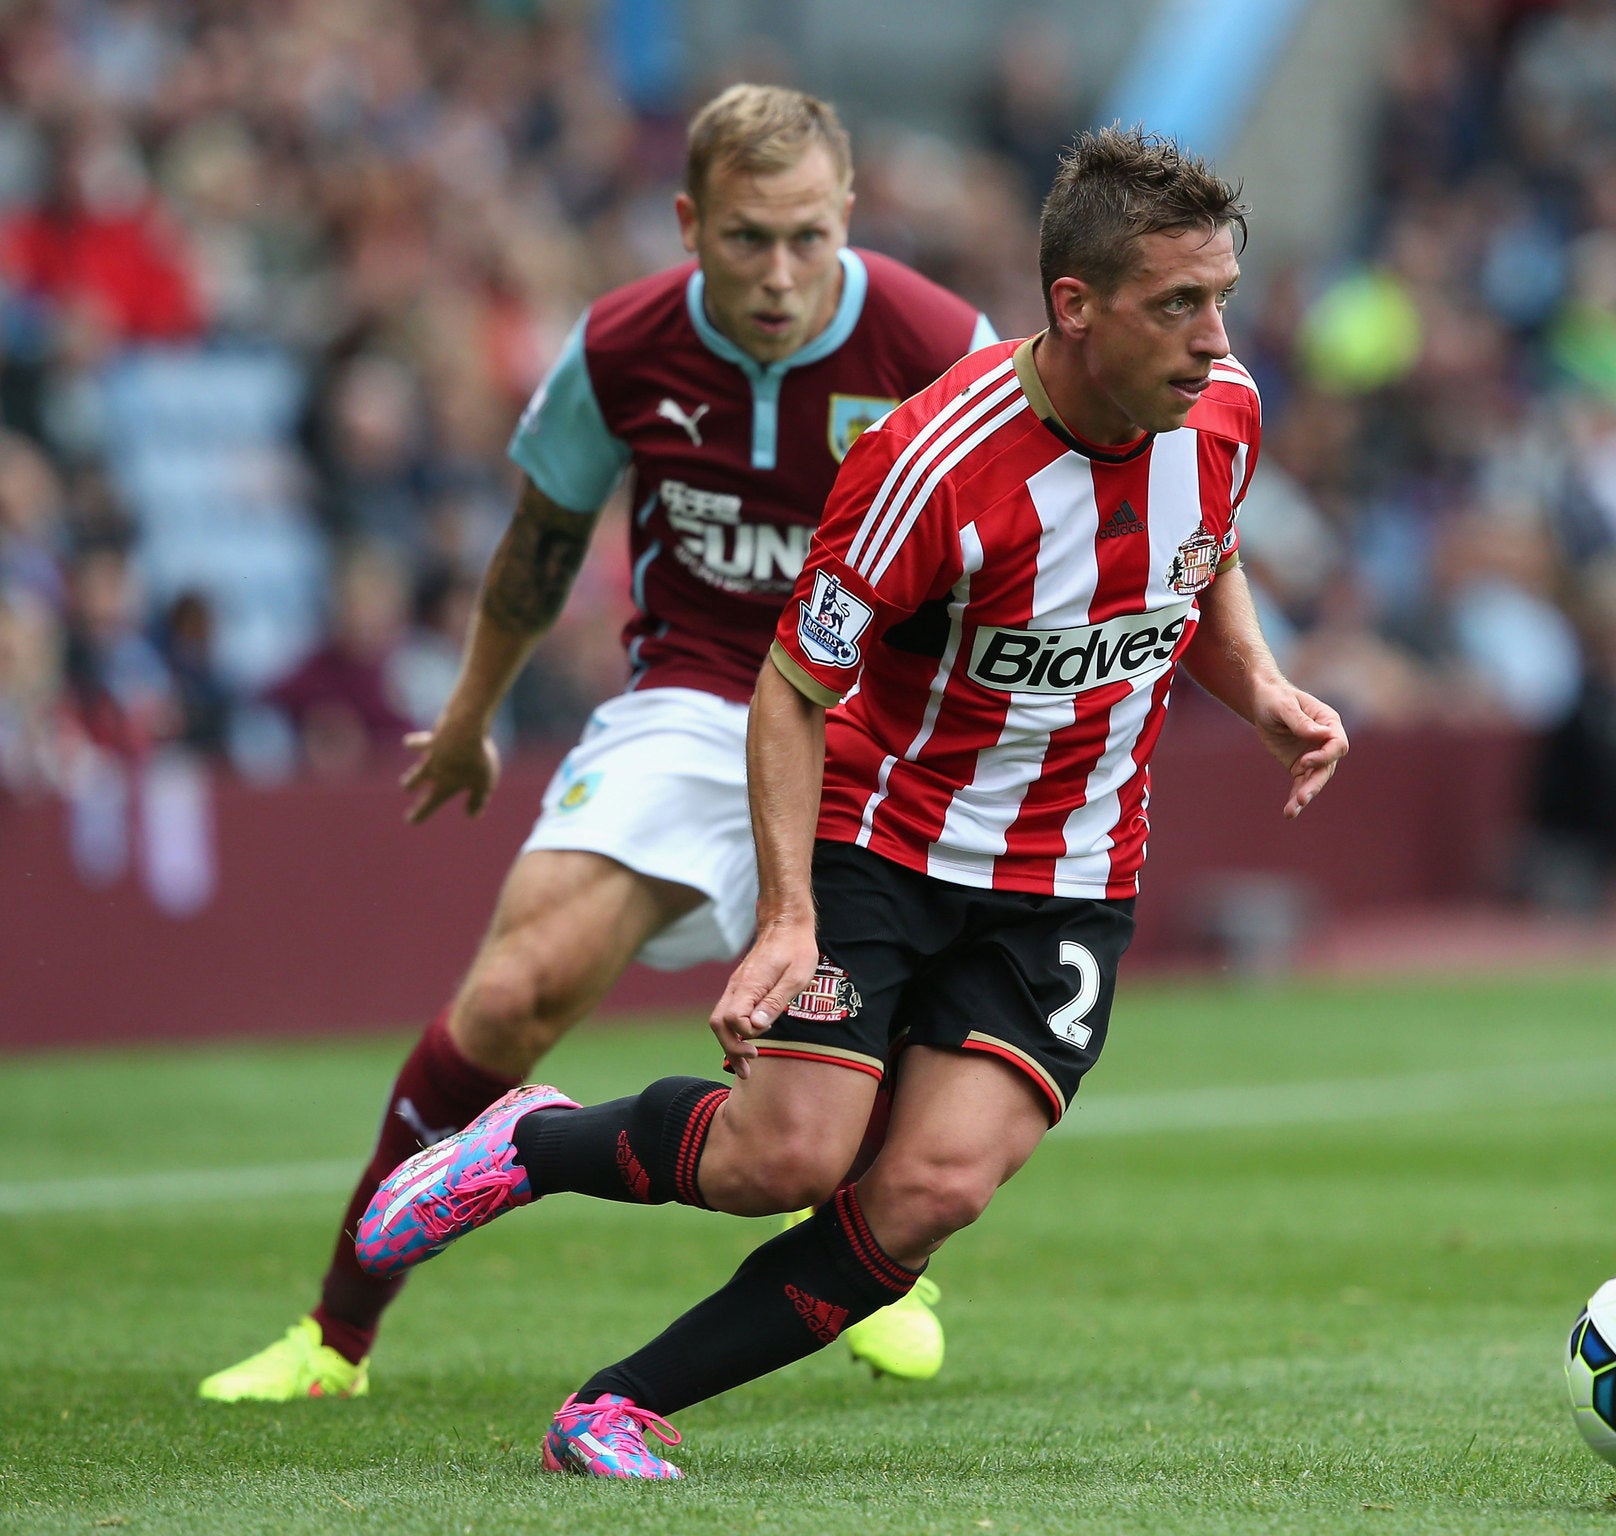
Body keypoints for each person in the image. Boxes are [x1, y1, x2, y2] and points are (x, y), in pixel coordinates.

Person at [353, 126, 1349, 1479]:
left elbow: (1200, 560)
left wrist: (1268, 689)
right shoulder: (930, 463)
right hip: (885, 843)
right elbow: (787, 688)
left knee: (933, 1189)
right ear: (1076, 304)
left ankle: (619, 1405)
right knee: (783, 1162)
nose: (1213, 334)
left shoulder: (1219, 411)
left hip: (1070, 875)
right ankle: (534, 1138)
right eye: (1179, 304)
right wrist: (785, 918)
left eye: (1221, 297)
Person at [199, 84, 996, 1403]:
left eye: (809, 235)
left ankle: (870, 1257)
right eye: (748, 239)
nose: (783, 274)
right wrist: (467, 719)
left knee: (884, 1034)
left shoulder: (936, 339)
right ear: (689, 224)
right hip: (694, 704)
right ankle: (335, 1335)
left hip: (866, 722)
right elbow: (540, 544)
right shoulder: (623, 345)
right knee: (515, 991)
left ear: (849, 215)